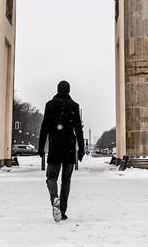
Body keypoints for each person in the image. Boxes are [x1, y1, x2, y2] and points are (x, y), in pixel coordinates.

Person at [38, 80, 85, 222]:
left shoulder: (50, 105)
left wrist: (41, 147)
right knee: (66, 180)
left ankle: (54, 198)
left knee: (51, 177)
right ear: (69, 90)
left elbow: (44, 127)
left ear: (57, 89)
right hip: (69, 147)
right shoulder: (74, 106)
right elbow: (78, 129)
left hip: (55, 147)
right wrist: (81, 148)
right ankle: (62, 211)